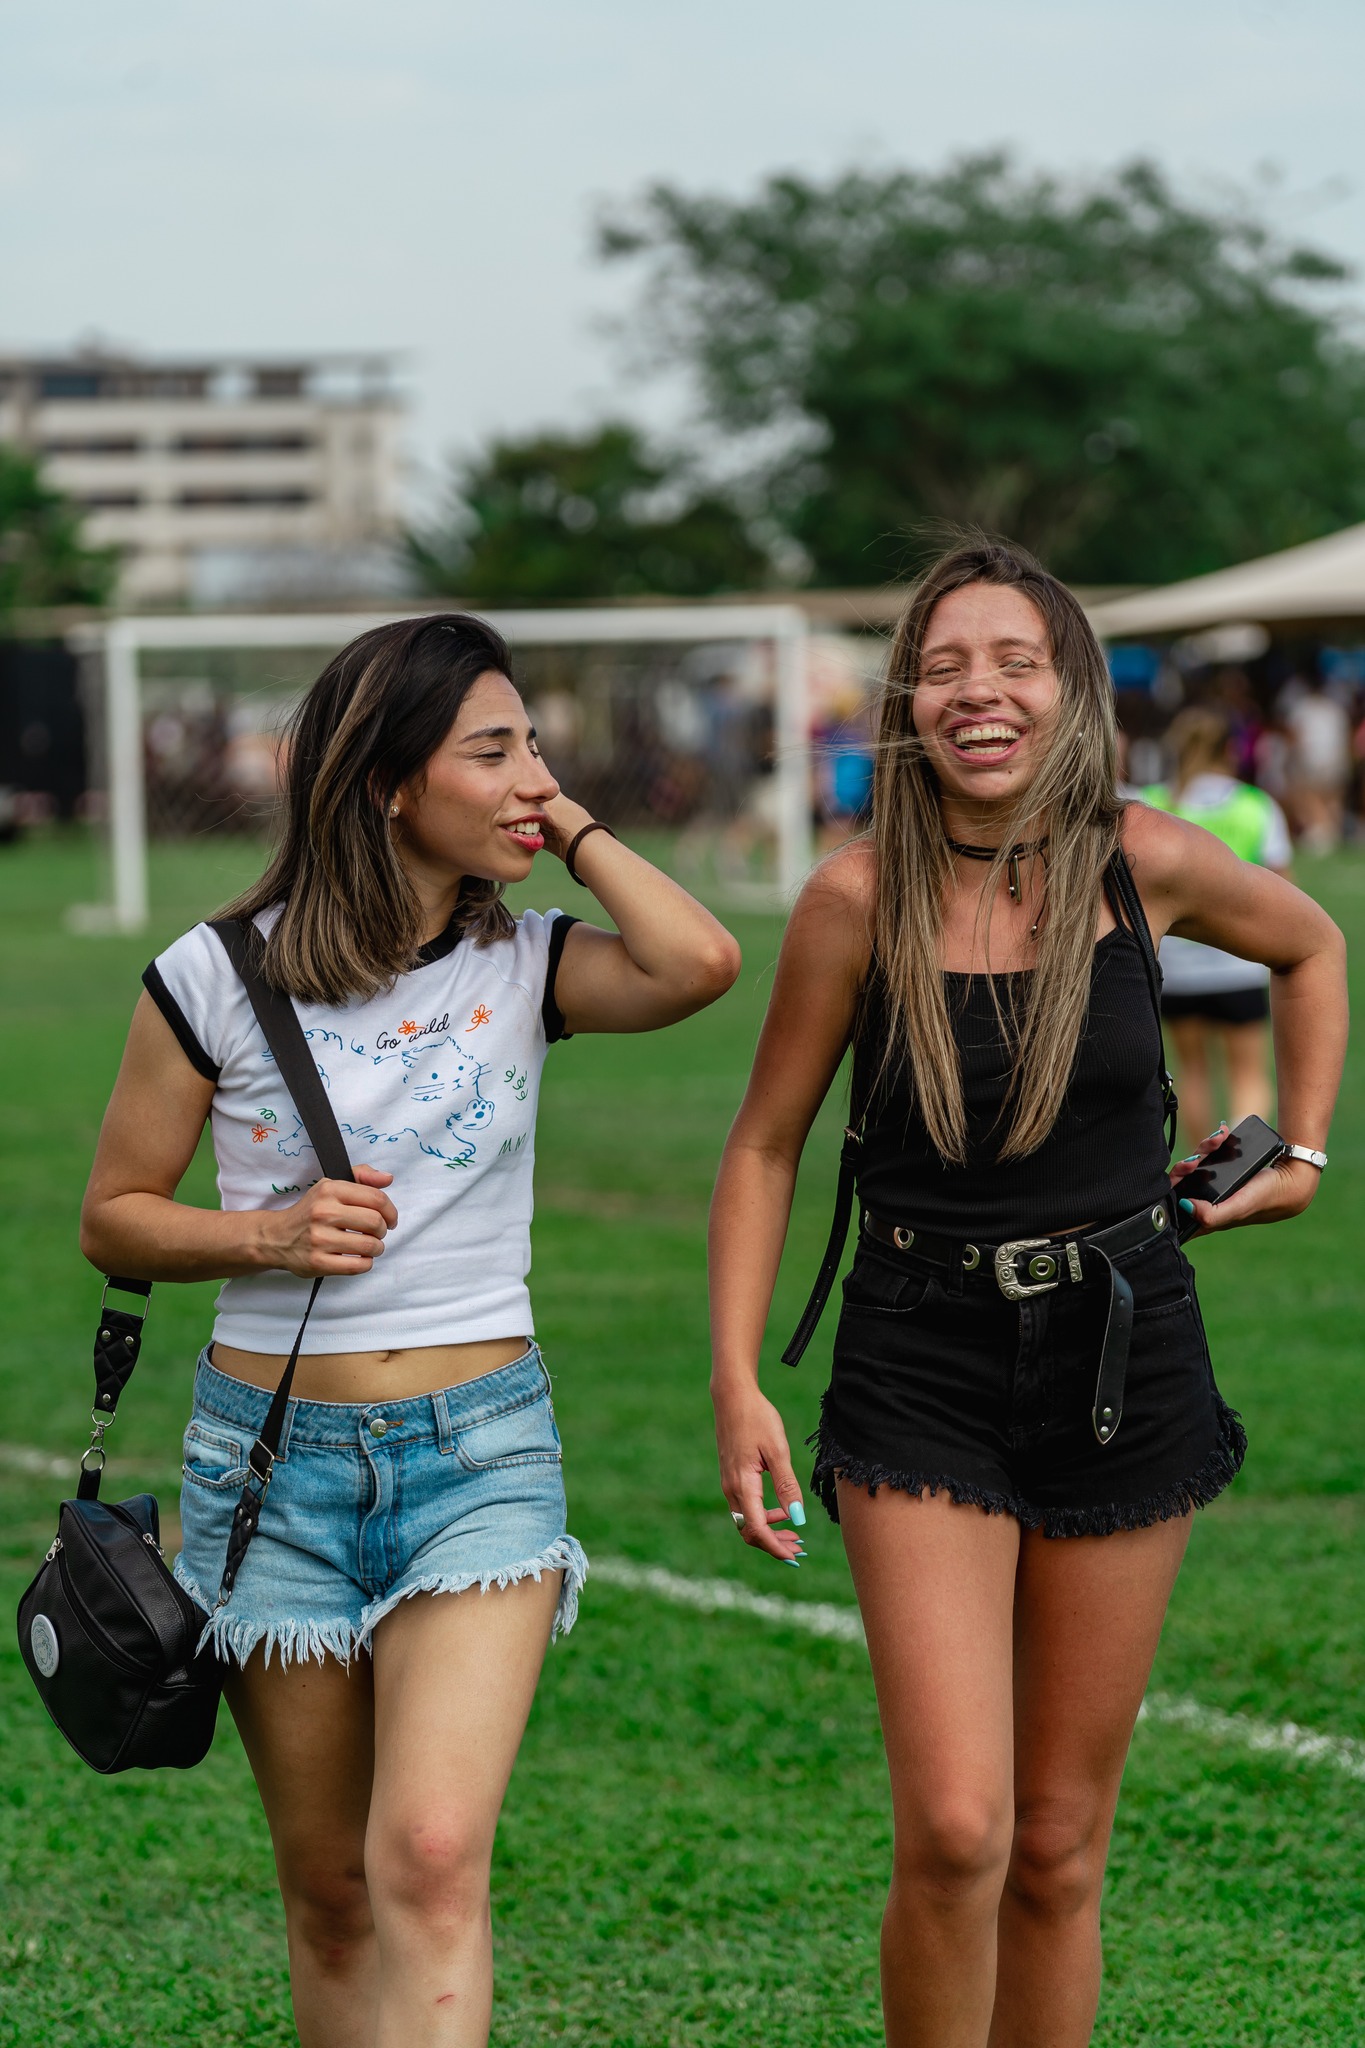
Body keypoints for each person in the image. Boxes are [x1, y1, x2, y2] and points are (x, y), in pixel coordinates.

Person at [707, 538, 1345, 2048]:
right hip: (919, 1359)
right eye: (943, 665)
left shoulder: (1150, 859)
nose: (976, 692)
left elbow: (1311, 946)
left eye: (1012, 662)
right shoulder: (851, 900)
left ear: (1067, 690)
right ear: (906, 699)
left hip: (1126, 1352)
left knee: (1056, 1848)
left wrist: (1301, 1146)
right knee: (954, 1829)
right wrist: (737, 1377)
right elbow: (761, 1145)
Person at [79, 613, 740, 2048]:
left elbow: (698, 962)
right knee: (328, 1893)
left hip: (479, 1452)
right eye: (492, 751)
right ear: (388, 781)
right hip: (267, 1471)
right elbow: (116, 1214)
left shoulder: (528, 966)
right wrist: (261, 1234)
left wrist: (558, 820)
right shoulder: (213, 976)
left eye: (536, 749)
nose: (530, 776)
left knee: (430, 1858)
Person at [1142, 706, 1292, 1143]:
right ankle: (1237, 1172)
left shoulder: (1152, 802)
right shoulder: (1253, 804)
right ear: (1232, 749)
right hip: (1239, 964)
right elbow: (1286, 892)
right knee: (1248, 1072)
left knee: (1191, 1072)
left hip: (1174, 970)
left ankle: (1204, 1167)